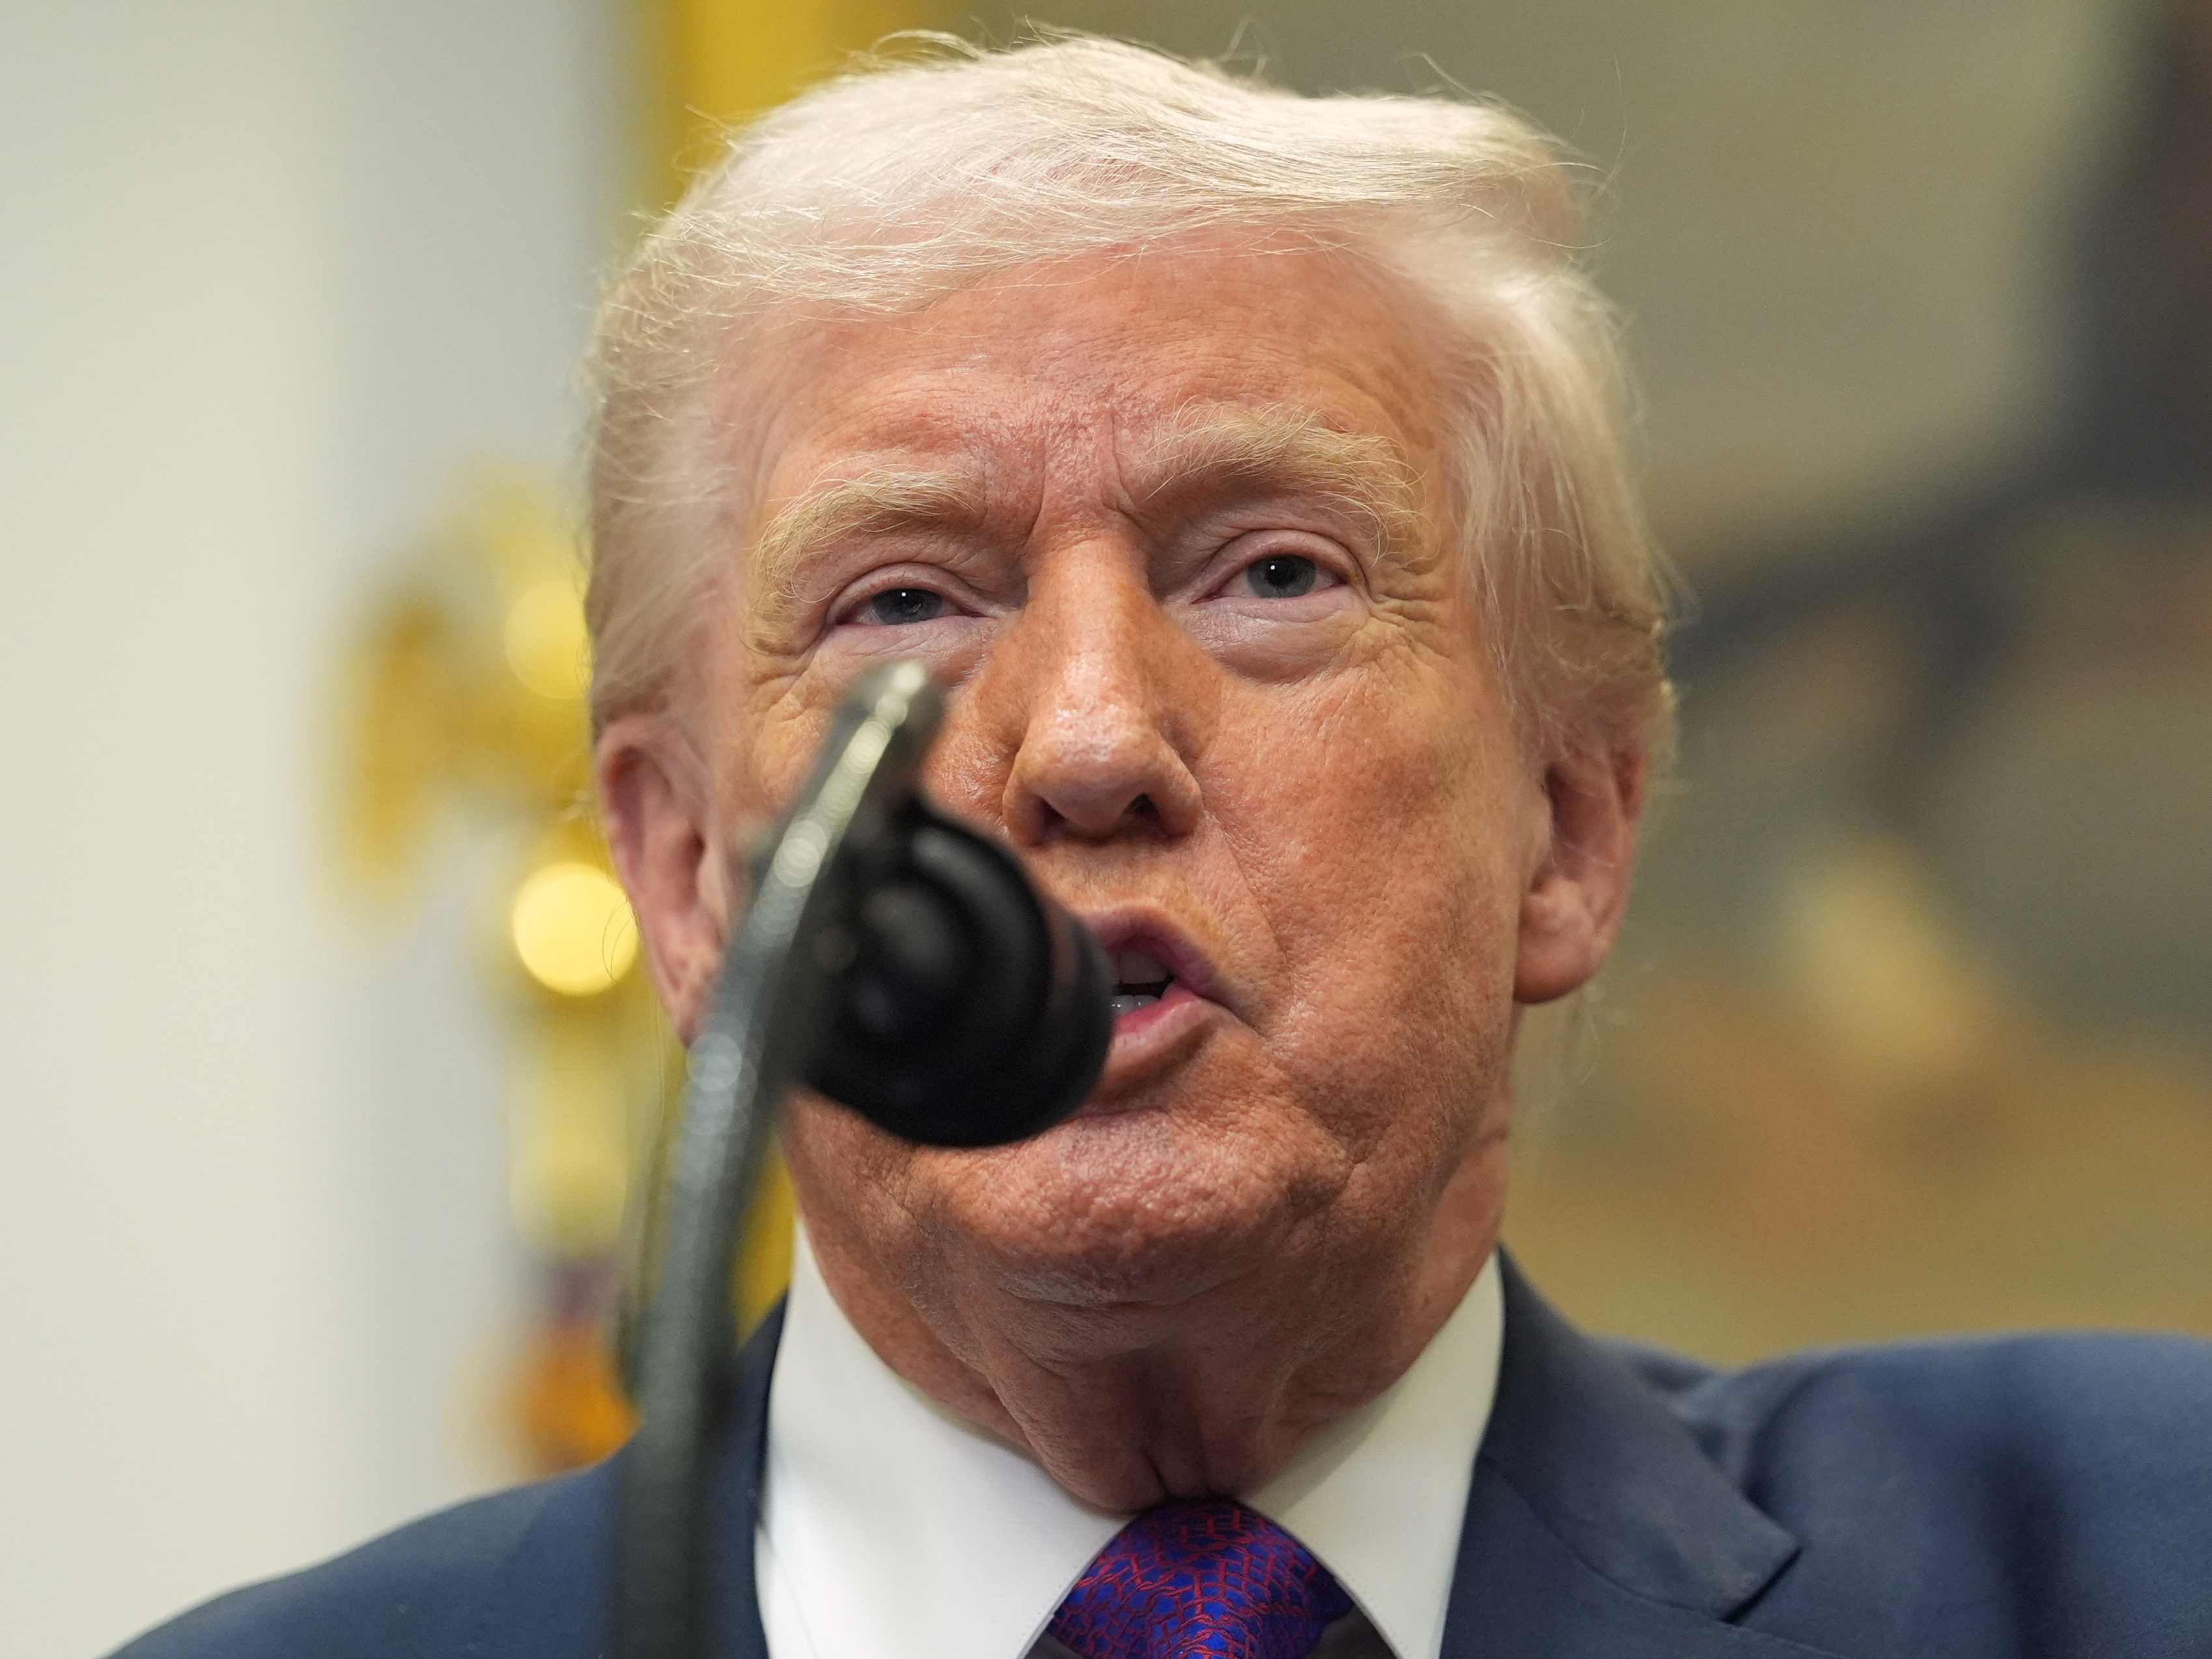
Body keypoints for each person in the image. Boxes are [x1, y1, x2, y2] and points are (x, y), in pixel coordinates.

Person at [116, 35, 2212, 1659]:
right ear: (684, 878)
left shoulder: (2126, 1559)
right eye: (904, 601)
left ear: (1571, 818)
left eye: (1272, 572)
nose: (1094, 737)